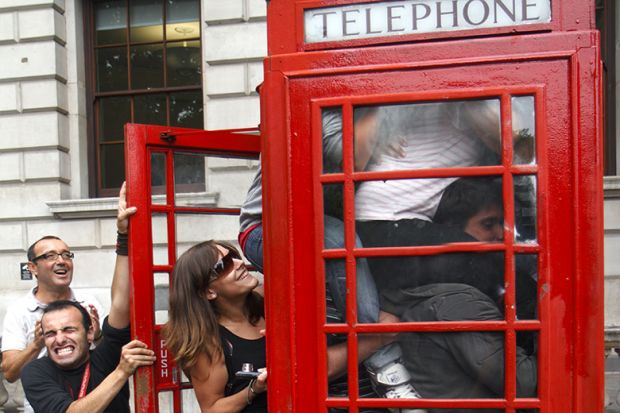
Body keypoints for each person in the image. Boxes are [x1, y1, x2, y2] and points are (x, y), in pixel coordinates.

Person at [379, 177, 537, 410]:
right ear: (454, 233)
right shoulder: (460, 302)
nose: (501, 234)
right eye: (488, 224)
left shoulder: (427, 282)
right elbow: (526, 383)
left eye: (503, 223)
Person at [20, 183, 156, 412]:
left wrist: (124, 235)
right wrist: (122, 371)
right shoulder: (35, 372)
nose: (60, 339)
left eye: (69, 329)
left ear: (90, 332)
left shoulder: (104, 359)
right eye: (51, 333)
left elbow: (122, 302)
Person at [2, 237, 105, 412]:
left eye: (66, 255)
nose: (61, 261)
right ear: (33, 267)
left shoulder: (88, 303)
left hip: (93, 403)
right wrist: (36, 344)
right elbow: (10, 373)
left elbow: (110, 355)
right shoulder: (19, 311)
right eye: (50, 256)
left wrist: (98, 336)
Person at [163, 240, 268, 412]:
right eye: (224, 265)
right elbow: (211, 408)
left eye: (234, 256)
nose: (240, 263)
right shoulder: (208, 342)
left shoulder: (270, 300)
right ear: (208, 291)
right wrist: (255, 388)